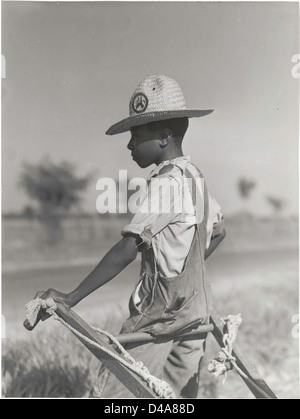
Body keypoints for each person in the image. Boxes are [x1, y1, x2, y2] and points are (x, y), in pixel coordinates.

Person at [39, 75, 226, 398]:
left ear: (165, 136)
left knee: (117, 393)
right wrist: (185, 271)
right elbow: (219, 230)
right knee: (178, 396)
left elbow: (127, 248)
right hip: (196, 312)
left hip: (160, 318)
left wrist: (70, 297)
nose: (129, 145)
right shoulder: (194, 177)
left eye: (136, 135)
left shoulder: (166, 184)